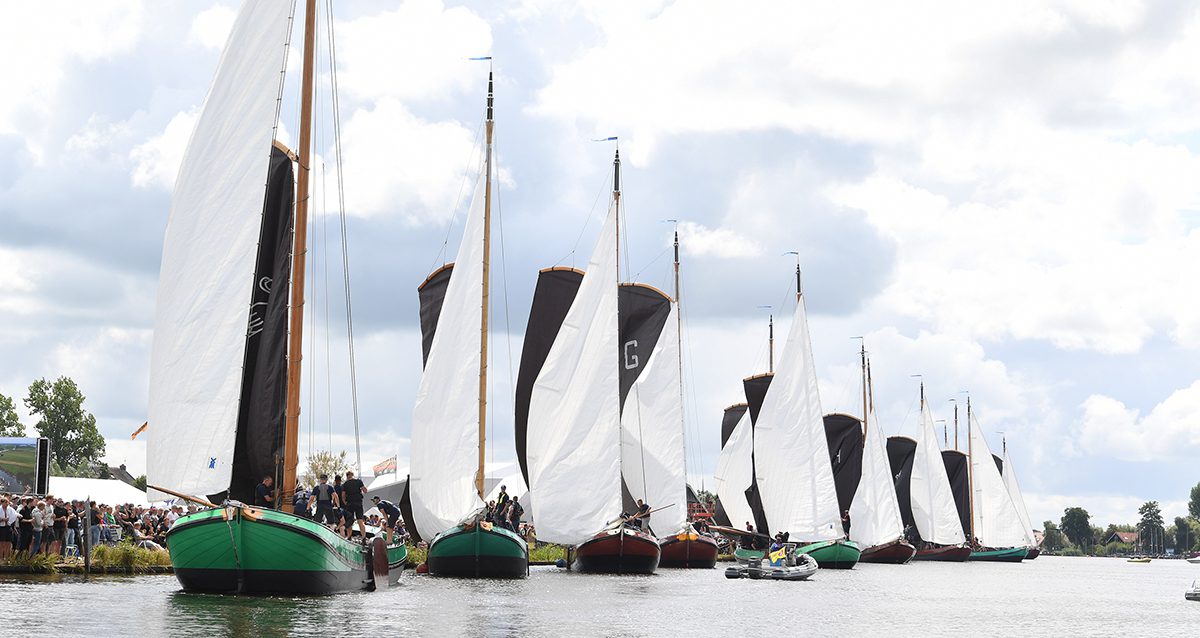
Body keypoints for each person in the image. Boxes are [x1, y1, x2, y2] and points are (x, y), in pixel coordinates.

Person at [341, 470, 367, 542]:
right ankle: (363, 538)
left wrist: (345, 503)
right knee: (360, 521)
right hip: (358, 503)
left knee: (350, 521)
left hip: (350, 504)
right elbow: (365, 490)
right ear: (352, 475)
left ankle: (349, 537)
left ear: (347, 476)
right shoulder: (358, 481)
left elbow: (343, 495)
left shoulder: (345, 484)